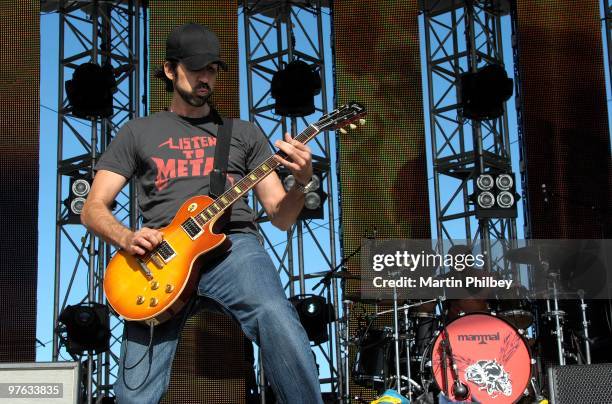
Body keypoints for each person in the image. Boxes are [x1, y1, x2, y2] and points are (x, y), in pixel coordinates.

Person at [81, 23, 323, 404]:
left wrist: (302, 182)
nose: (205, 77)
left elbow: (279, 215)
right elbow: (93, 208)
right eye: (195, 68)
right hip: (160, 256)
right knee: (133, 394)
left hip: (233, 248)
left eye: (211, 69)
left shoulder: (243, 133)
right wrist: (127, 237)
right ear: (169, 69)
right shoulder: (137, 131)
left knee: (276, 314)